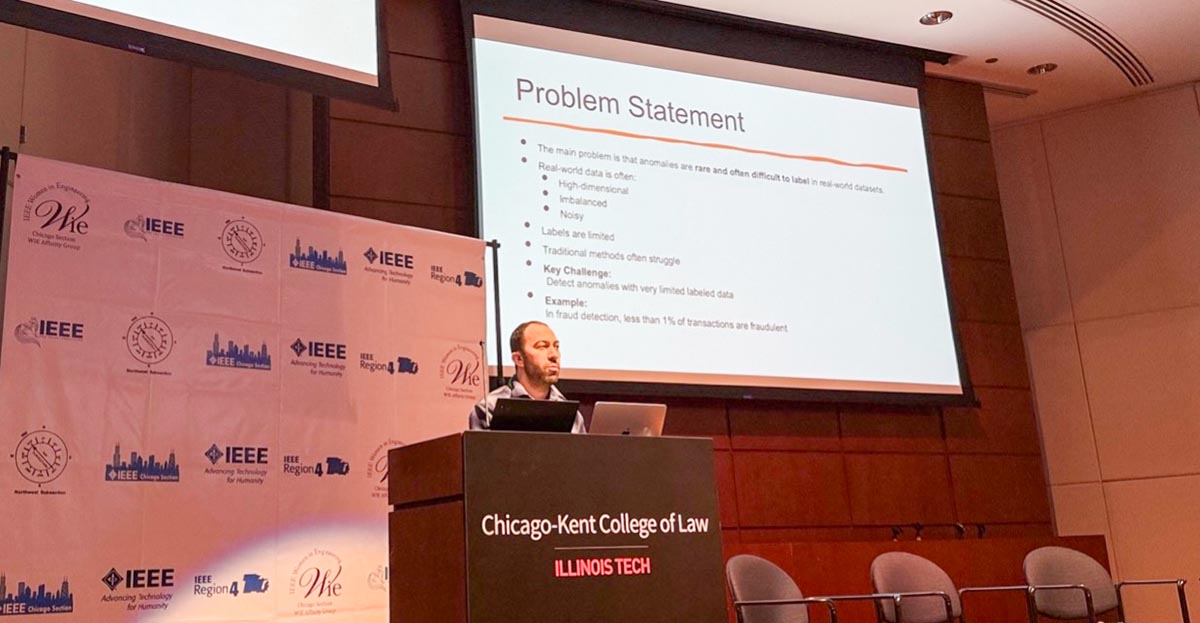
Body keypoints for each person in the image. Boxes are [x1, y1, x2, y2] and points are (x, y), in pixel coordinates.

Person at [469, 321, 586, 433]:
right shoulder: (489, 409)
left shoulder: (570, 414)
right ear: (519, 359)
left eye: (556, 346)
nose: (554, 355)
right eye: (542, 346)